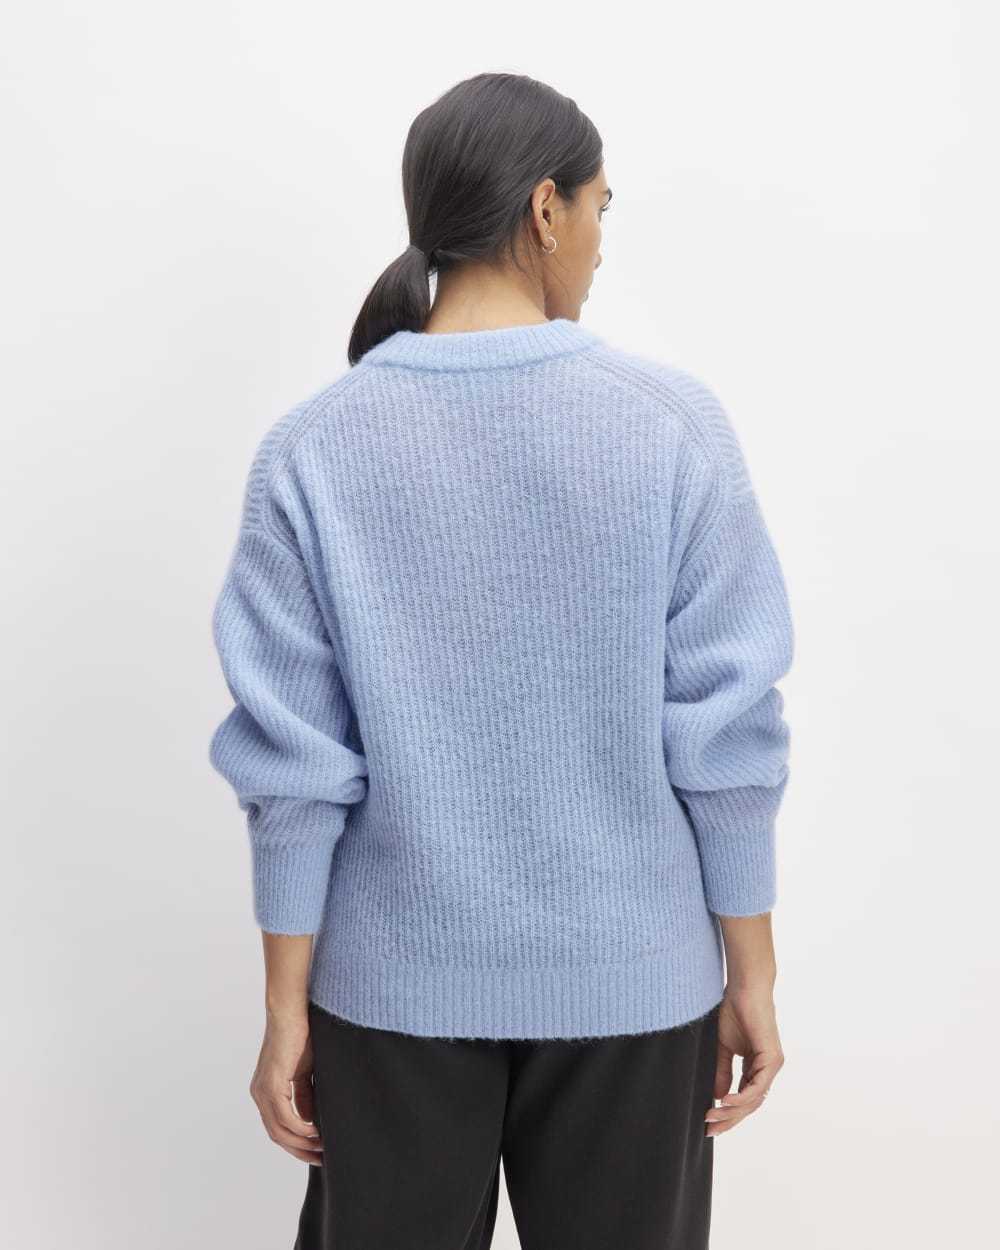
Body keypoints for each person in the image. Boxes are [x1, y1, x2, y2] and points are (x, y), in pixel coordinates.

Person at [208, 71, 793, 1250]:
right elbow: (725, 732)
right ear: (543, 209)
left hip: (390, 994)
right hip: (634, 982)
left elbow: (293, 766)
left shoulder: (313, 448)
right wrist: (753, 972)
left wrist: (284, 1008)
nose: (599, 244)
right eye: (599, 209)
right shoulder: (669, 426)